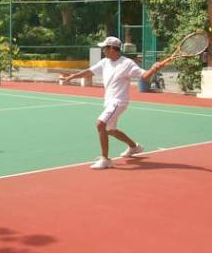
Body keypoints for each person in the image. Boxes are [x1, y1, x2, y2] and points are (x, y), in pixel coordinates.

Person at [60, 36, 169, 169]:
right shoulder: (105, 62)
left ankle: (105, 159)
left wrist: (154, 69)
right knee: (110, 130)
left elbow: (145, 77)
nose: (103, 50)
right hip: (109, 101)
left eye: (105, 48)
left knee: (100, 124)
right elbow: (89, 71)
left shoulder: (127, 63)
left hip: (119, 101)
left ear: (112, 49)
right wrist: (72, 77)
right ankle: (134, 147)